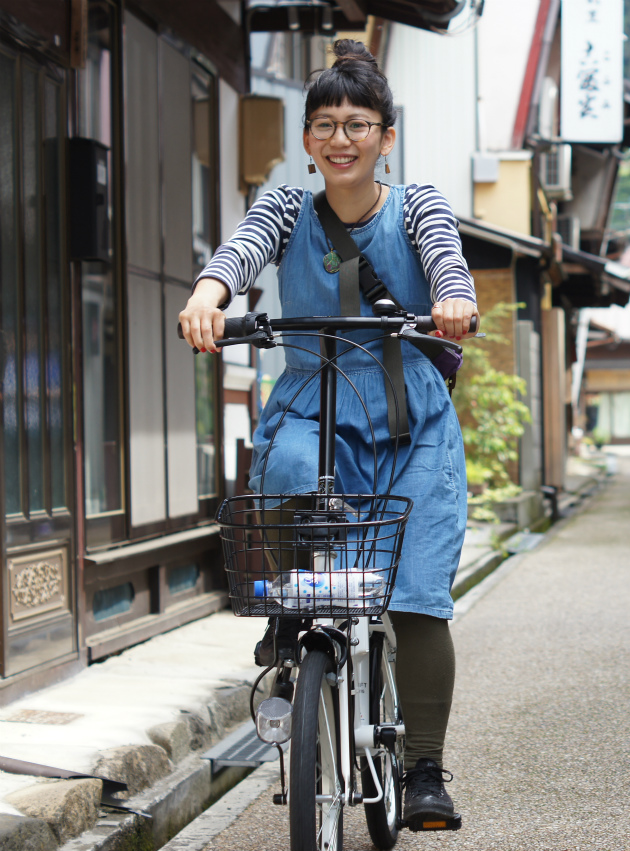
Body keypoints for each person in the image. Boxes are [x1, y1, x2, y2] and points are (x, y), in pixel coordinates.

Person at [178, 39, 473, 830]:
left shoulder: (418, 207)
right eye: (326, 125)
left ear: (386, 134)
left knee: (414, 595)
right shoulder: (284, 206)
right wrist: (209, 296)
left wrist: (450, 301)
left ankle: (424, 771)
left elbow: (447, 265)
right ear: (307, 139)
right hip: (313, 398)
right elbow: (239, 253)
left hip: (411, 417)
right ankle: (291, 614)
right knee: (291, 477)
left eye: (359, 124)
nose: (341, 139)